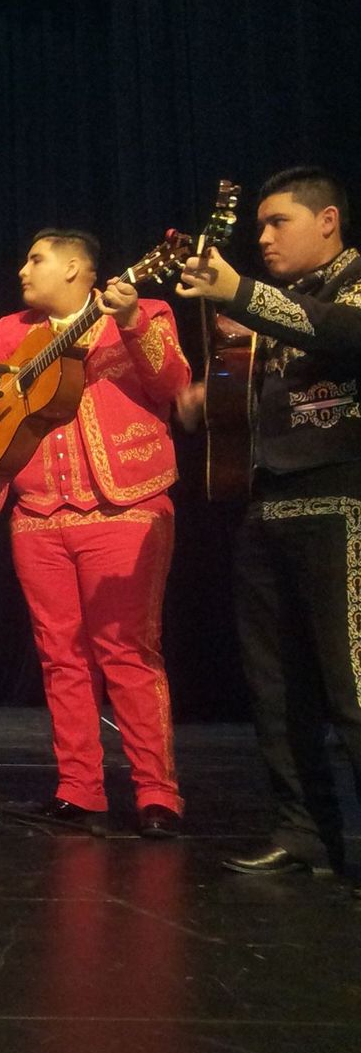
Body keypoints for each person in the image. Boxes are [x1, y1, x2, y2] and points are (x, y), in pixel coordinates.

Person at [0, 228, 190, 836]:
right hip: (39, 511)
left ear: (77, 267)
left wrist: (129, 321)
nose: (23, 268)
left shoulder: (145, 310)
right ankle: (80, 788)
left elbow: (173, 382)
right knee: (60, 657)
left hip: (123, 504)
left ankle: (157, 793)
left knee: (127, 650)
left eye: (37, 259)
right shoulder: (11, 333)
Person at [175, 166, 361, 883]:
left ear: (328, 222)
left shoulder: (348, 285)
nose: (263, 236)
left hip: (342, 502)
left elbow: (344, 334)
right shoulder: (278, 304)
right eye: (259, 225)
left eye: (278, 221)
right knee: (275, 687)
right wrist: (212, 395)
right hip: (268, 503)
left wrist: (242, 294)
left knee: (352, 686)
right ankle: (303, 832)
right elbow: (262, 387)